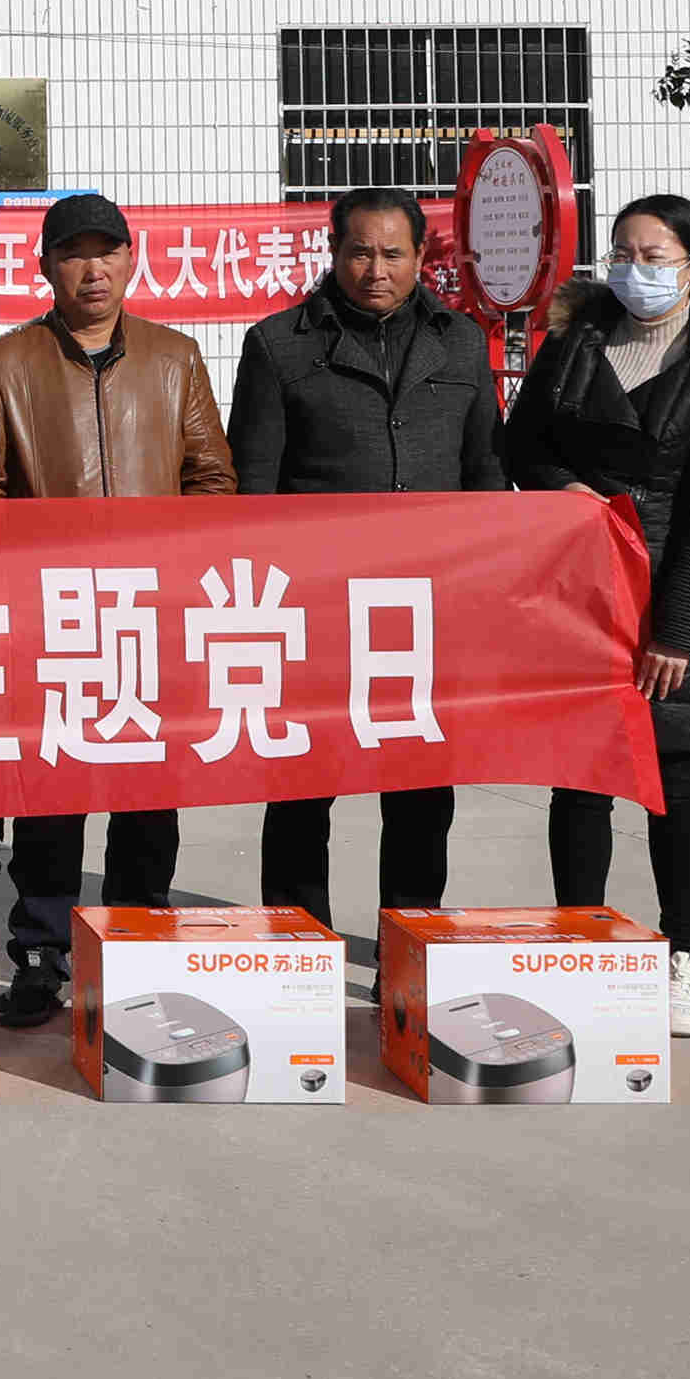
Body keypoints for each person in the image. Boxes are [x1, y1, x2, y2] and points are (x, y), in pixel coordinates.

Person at [0, 192, 240, 1029]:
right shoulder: (3, 366)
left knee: (149, 797)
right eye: (73, 252)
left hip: (152, 618)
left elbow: (213, 481)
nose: (93, 269)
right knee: (52, 796)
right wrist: (23, 588)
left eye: (106, 251)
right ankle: (40, 955)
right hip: (55, 620)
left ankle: (139, 939)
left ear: (131, 260)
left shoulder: (175, 359)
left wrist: (178, 578)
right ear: (45, 266)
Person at [501, 193, 690, 1041]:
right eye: (623, 253)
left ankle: (684, 956)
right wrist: (566, 489)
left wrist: (677, 632)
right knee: (580, 774)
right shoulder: (578, 336)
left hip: (666, 590)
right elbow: (522, 442)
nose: (634, 270)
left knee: (670, 777)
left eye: (654, 257)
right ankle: (579, 939)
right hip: (579, 583)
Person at [227, 188, 504, 939]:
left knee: (421, 791)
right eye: (359, 252)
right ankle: (296, 941)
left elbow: (485, 472)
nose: (374, 270)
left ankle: (408, 941)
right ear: (332, 252)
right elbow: (252, 491)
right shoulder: (279, 345)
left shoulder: (460, 343)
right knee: (301, 786)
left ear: (420, 257)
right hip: (315, 610)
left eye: (392, 254)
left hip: (428, 607)